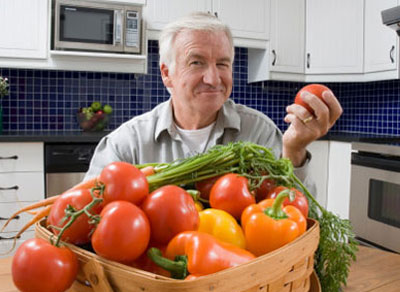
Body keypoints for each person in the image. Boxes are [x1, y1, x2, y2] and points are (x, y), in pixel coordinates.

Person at [84, 12, 342, 188]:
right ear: (166, 74)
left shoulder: (259, 133)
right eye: (196, 62)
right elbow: (85, 215)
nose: (213, 78)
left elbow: (298, 217)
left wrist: (294, 151)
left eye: (222, 63)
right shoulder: (126, 144)